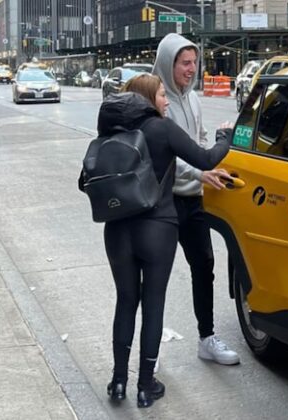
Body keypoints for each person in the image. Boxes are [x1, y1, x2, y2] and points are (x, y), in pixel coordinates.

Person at [94, 74, 231, 408]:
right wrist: (225, 136)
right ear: (148, 99)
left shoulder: (113, 132)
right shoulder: (161, 129)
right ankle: (145, 385)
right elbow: (206, 159)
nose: (166, 100)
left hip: (117, 230)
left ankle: (118, 381)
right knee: (153, 304)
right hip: (157, 228)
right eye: (160, 95)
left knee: (125, 301)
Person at [152, 33, 240, 365]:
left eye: (194, 62)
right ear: (167, 63)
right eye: (185, 63)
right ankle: (152, 349)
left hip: (193, 201)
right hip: (163, 203)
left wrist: (203, 173)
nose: (192, 69)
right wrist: (200, 173)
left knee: (204, 267)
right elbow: (165, 158)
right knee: (156, 274)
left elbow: (199, 142)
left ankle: (207, 338)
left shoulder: (193, 99)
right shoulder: (157, 102)